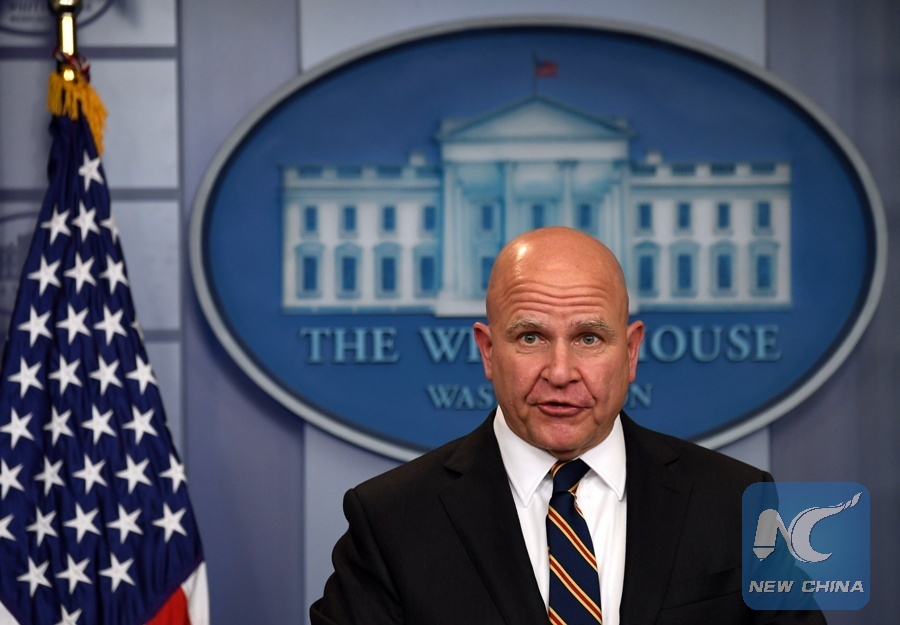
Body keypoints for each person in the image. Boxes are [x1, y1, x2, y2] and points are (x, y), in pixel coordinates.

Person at [310, 227, 825, 624]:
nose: (560, 372)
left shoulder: (736, 503)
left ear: (631, 352)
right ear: (488, 352)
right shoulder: (391, 520)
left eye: (588, 338)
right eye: (530, 337)